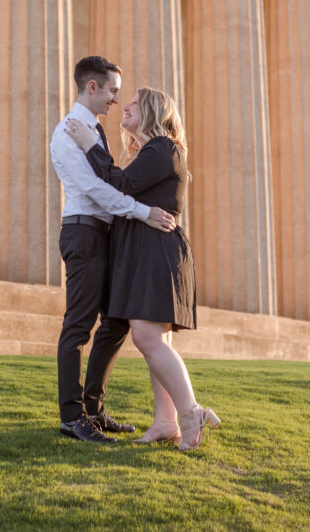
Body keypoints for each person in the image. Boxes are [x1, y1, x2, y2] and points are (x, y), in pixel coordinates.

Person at [65, 87, 220, 451]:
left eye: (133, 104)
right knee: (156, 340)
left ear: (152, 111)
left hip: (156, 251)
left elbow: (122, 185)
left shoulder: (163, 147)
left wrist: (91, 145)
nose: (124, 107)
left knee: (147, 339)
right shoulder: (152, 151)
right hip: (145, 250)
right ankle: (167, 422)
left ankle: (190, 411)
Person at [49, 56, 177, 443]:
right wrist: (144, 213)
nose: (116, 101)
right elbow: (96, 189)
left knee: (117, 322)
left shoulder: (94, 131)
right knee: (78, 325)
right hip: (84, 233)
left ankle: (94, 409)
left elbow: (112, 181)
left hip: (105, 236)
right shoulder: (69, 131)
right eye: (112, 91)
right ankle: (73, 416)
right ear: (93, 87)